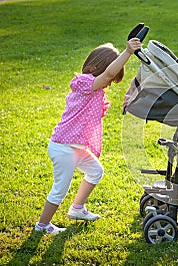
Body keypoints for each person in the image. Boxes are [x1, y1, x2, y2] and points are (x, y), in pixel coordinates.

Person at [34, 38, 142, 234]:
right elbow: (109, 73)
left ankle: (77, 209)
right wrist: (127, 52)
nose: (109, 83)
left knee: (96, 171)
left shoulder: (93, 88)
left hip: (75, 147)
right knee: (60, 189)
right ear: (98, 68)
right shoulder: (85, 83)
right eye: (109, 80)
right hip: (64, 147)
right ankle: (42, 226)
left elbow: (108, 76)